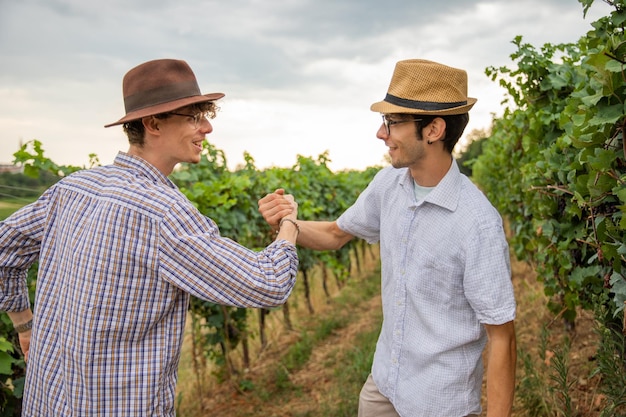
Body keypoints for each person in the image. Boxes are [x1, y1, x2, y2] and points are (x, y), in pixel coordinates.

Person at [0, 58, 301, 416]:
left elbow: (5, 247)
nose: (207, 127)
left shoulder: (74, 188)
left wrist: (25, 324)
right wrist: (289, 224)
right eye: (194, 116)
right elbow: (268, 283)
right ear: (153, 123)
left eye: (207, 115)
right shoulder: (164, 213)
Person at [259, 59, 517, 417]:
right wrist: (290, 223)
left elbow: (502, 336)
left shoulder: (477, 224)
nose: (382, 134)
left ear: (433, 130)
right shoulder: (388, 185)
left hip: (438, 402)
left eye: (393, 123)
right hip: (384, 387)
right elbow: (336, 234)